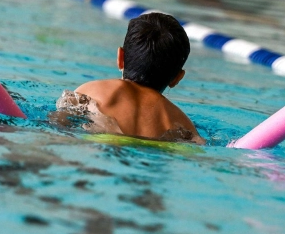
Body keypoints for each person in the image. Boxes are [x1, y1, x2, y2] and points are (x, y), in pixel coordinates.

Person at [56, 13, 205, 144]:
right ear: (177, 78)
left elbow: (58, 123)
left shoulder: (91, 92)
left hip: (101, 147)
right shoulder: (181, 123)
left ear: (120, 57)